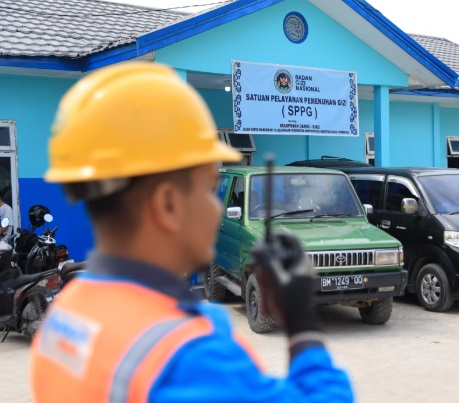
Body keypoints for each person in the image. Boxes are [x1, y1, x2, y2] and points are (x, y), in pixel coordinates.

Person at [29, 63, 353, 402]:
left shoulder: (65, 314)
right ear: (168, 204)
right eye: (210, 189)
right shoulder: (192, 355)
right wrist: (300, 318)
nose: (217, 208)